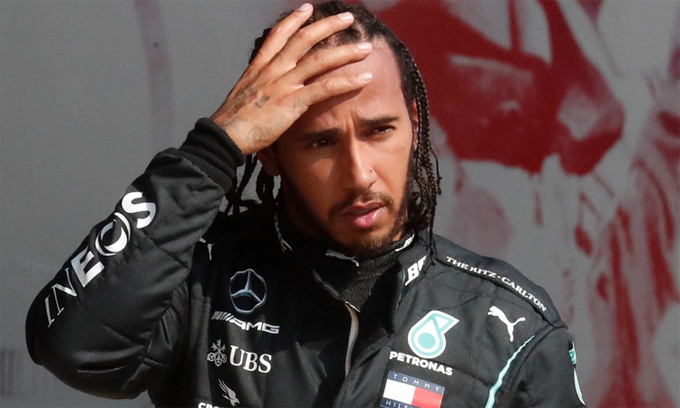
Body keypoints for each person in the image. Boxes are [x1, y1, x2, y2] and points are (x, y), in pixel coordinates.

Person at [26, 2, 587, 407]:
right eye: (321, 143)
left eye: (379, 130)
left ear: (415, 125)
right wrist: (214, 148)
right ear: (270, 153)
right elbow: (74, 347)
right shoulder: (202, 280)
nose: (359, 174)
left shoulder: (509, 326)